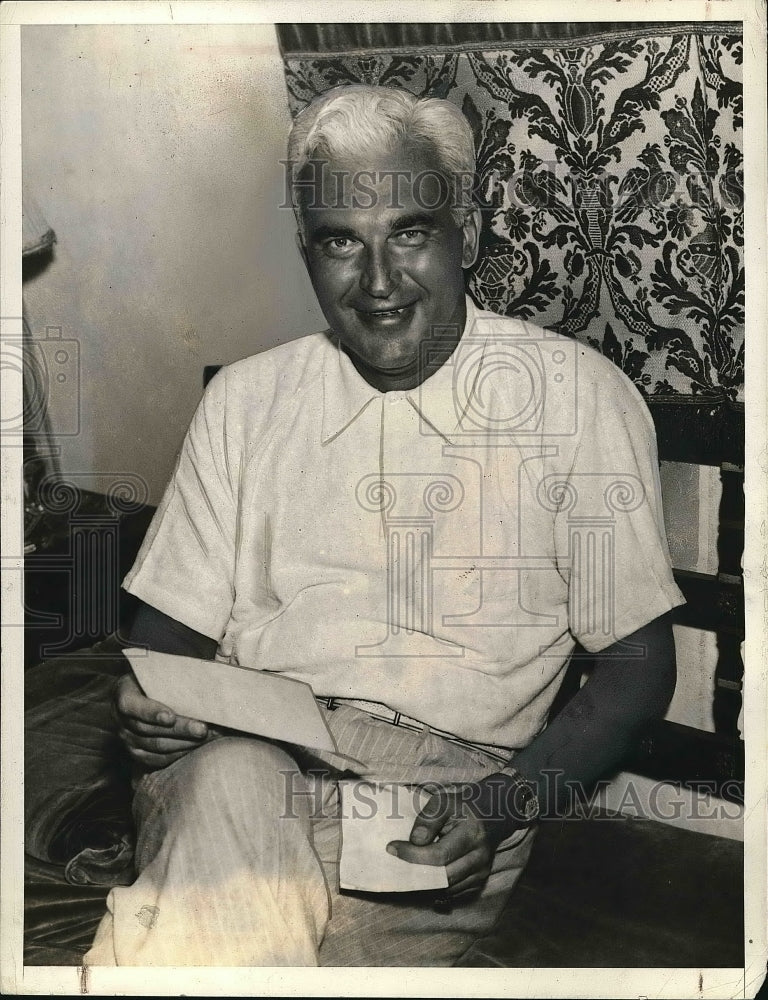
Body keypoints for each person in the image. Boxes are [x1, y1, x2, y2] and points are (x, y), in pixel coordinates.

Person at [84, 85, 684, 967]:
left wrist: (497, 809)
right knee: (236, 788)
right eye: (340, 242)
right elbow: (165, 637)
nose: (376, 282)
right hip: (241, 748)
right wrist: (149, 704)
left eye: (409, 233)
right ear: (307, 253)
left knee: (204, 943)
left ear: (466, 235)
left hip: (440, 802)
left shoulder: (576, 399)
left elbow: (638, 668)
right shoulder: (246, 400)